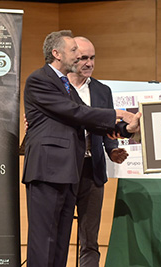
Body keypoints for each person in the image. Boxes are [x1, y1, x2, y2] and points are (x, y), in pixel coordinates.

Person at [22, 30, 140, 267]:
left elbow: (90, 123)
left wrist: (128, 129)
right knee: (44, 238)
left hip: (69, 172)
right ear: (56, 54)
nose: (78, 56)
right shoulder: (40, 80)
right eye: (73, 51)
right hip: (47, 170)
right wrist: (117, 113)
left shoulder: (68, 87)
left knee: (61, 240)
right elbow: (77, 112)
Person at [67, 36, 127, 267]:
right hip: (63, 169)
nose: (89, 63)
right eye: (83, 58)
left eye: (92, 58)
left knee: (90, 238)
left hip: (93, 170)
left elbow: (106, 127)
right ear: (71, 58)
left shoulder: (103, 90)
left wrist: (113, 151)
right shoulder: (59, 88)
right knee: (59, 232)